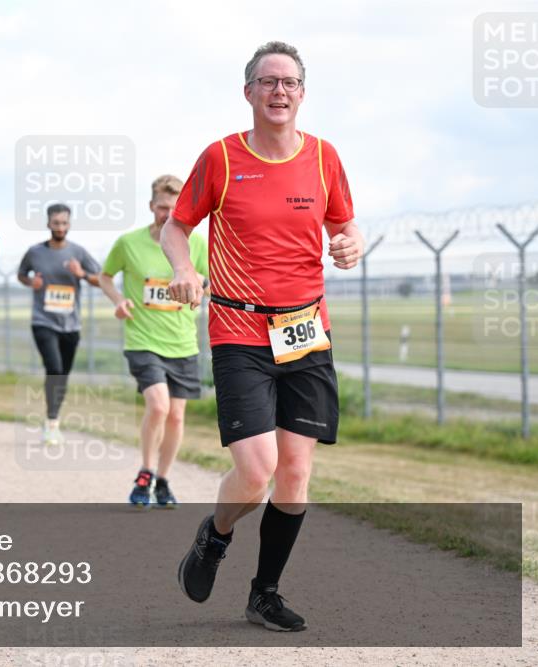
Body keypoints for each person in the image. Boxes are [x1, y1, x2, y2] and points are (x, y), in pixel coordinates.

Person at [167, 42, 362, 632]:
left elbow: (345, 225)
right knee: (256, 472)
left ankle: (264, 594)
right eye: (268, 81)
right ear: (248, 91)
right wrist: (183, 267)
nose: (280, 91)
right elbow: (178, 225)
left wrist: (351, 244)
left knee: (295, 475)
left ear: (303, 92)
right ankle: (215, 535)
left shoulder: (325, 157)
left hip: (305, 331)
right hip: (239, 328)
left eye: (290, 82)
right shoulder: (222, 158)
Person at [100, 175, 209, 510]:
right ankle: (145, 472)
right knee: (159, 406)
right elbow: (105, 276)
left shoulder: (197, 244)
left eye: (175, 208)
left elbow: (211, 281)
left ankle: (163, 480)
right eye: (162, 207)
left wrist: (199, 285)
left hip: (183, 343)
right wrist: (118, 299)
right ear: (151, 206)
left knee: (176, 416)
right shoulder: (128, 243)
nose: (168, 214)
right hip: (142, 340)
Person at [17, 203, 101, 445]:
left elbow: (101, 279)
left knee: (62, 373)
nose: (60, 227)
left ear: (69, 224)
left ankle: (52, 420)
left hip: (71, 324)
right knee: (54, 368)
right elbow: (22, 274)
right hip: (43, 320)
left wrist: (81, 274)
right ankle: (51, 423)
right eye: (56, 223)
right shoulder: (35, 252)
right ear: (48, 224)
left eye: (64, 223)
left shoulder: (78, 252)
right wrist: (30, 282)